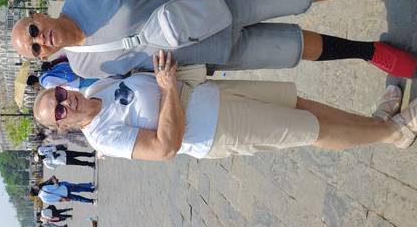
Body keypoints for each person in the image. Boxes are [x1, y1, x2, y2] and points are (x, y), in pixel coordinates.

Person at [12, 0, 417, 79]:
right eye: (34, 49)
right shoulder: (86, 69)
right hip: (215, 50)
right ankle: (369, 52)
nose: (39, 40)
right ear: (40, 57)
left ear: (36, 14)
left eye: (33, 31)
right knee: (298, 48)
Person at [32, 50, 417, 160]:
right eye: (59, 110)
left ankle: (376, 125)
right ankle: (394, 132)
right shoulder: (103, 139)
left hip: (209, 92)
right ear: (64, 127)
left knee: (301, 105)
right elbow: (165, 148)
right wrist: (166, 89)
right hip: (216, 128)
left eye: (60, 94)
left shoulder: (98, 86)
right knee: (307, 129)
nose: (66, 100)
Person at [28, 60, 98, 93]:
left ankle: (108, 78)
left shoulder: (46, 83)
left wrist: (74, 91)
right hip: (73, 74)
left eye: (33, 87)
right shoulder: (44, 74)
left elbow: (62, 88)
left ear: (34, 84)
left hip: (75, 83)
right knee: (94, 76)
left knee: (96, 83)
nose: (35, 88)